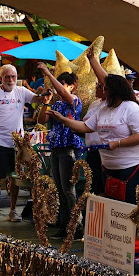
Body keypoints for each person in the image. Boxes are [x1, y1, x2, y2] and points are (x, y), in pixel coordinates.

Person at [50, 48, 139, 205]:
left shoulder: (131, 108)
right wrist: (62, 119)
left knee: (129, 207)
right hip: (107, 167)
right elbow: (85, 127)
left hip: (131, 166)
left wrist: (118, 143)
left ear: (114, 92)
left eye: (105, 88)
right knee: (111, 205)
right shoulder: (102, 108)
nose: (102, 90)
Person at [0, 64, 52, 225]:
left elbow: (38, 99)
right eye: (7, 77)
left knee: (15, 177)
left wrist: (44, 92)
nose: (10, 80)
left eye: (13, 77)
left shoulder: (21, 91)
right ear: (1, 78)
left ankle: (13, 211)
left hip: (17, 144)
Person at [36, 62, 83, 236]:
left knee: (69, 188)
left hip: (68, 149)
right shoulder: (56, 105)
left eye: (63, 84)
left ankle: (77, 226)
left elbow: (64, 93)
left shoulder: (75, 100)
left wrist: (48, 74)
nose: (59, 88)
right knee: (60, 188)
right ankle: (65, 225)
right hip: (55, 149)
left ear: (71, 86)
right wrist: (45, 103)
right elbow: (41, 121)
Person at [83, 82, 106, 195]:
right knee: (91, 187)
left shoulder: (109, 105)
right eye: (96, 85)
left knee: (101, 187)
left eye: (100, 86)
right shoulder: (94, 104)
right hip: (91, 151)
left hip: (102, 151)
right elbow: (85, 125)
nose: (96, 88)